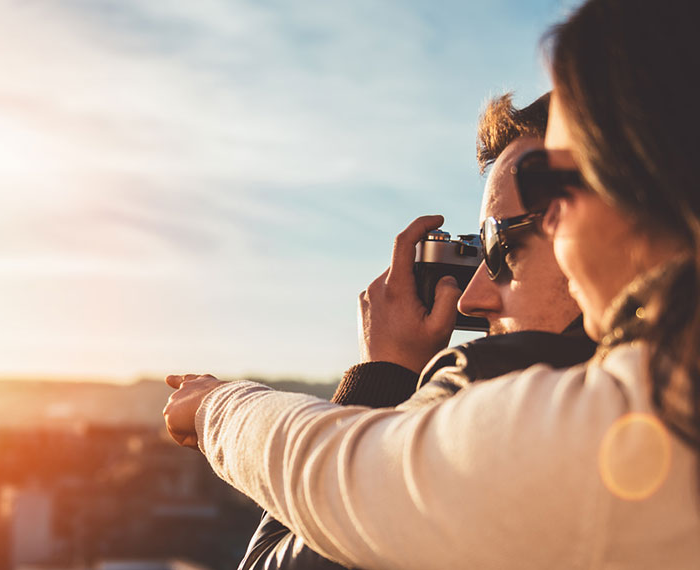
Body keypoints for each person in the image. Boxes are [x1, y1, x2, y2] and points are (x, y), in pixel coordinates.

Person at [163, 0, 700, 567]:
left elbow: (340, 479)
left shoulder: (631, 420)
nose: (471, 298)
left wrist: (221, 404)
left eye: (506, 244)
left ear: (646, 183)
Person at [238, 93, 594, 570]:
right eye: (480, 250)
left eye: (502, 248)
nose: (471, 298)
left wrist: (383, 375)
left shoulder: (502, 447)